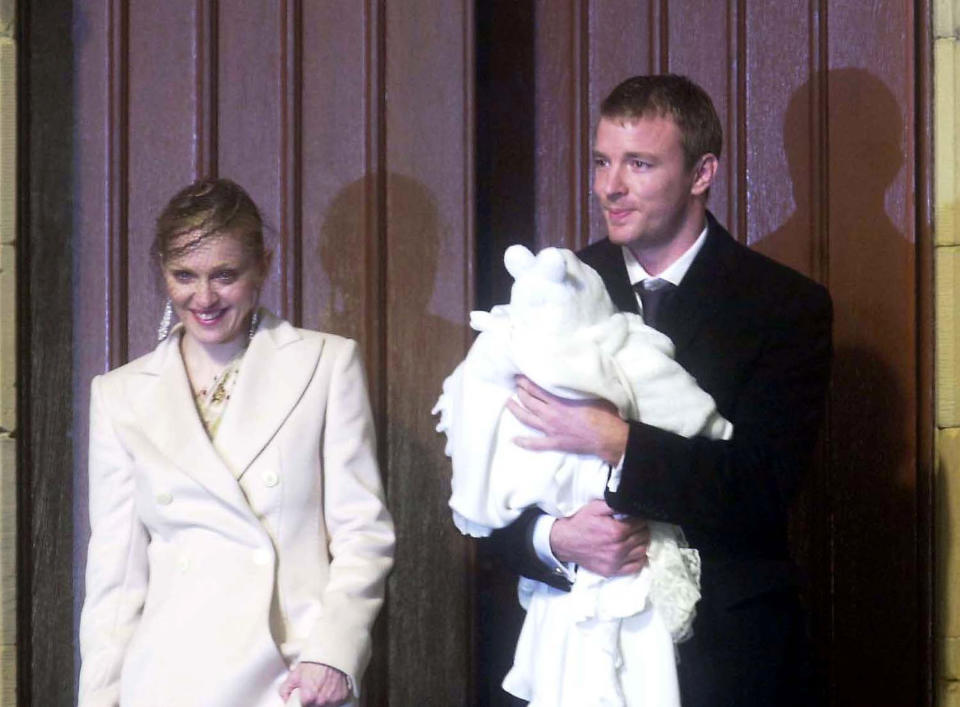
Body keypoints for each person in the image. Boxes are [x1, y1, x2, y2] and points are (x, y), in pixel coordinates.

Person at [490, 74, 832, 706]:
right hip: (570, 652)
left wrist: (617, 442)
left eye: (638, 164)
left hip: (721, 661)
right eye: (601, 161)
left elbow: (762, 489)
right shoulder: (547, 290)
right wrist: (553, 540)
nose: (608, 187)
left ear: (702, 173)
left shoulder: (785, 307)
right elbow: (485, 488)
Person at [78, 178, 395, 707]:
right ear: (163, 271)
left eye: (224, 275)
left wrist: (334, 653)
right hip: (165, 683)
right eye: (184, 276)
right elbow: (113, 580)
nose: (203, 298)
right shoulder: (120, 396)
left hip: (291, 679)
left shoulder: (325, 364)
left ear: (263, 266)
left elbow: (363, 533)